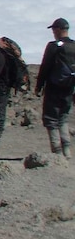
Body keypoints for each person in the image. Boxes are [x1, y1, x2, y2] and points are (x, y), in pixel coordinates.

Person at [35, 18, 75, 157]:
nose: (53, 32)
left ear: (58, 29)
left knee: (51, 119)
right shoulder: (74, 45)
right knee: (63, 117)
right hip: (69, 87)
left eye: (53, 29)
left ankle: (57, 152)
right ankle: (67, 150)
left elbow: (45, 67)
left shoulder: (53, 46)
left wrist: (39, 86)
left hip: (54, 87)